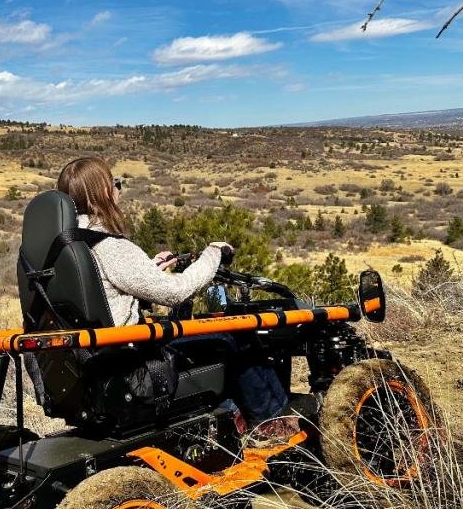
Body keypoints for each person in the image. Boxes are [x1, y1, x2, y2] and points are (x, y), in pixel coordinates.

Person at [56, 157, 298, 444]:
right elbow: (176, 292)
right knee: (235, 333)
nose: (118, 190)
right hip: (133, 365)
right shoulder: (109, 246)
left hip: (95, 362)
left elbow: (102, 292)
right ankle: (272, 425)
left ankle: (238, 415)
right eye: (115, 184)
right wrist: (213, 254)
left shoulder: (68, 247)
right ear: (103, 194)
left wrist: (148, 268)